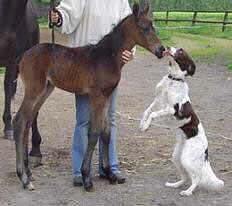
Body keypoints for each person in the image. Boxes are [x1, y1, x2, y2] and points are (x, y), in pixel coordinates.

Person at [50, 0, 135, 186]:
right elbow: (68, 12)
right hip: (84, 64)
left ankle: (109, 167)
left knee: (109, 118)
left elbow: (131, 25)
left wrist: (129, 51)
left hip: (110, 66)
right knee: (84, 119)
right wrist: (59, 18)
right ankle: (79, 169)